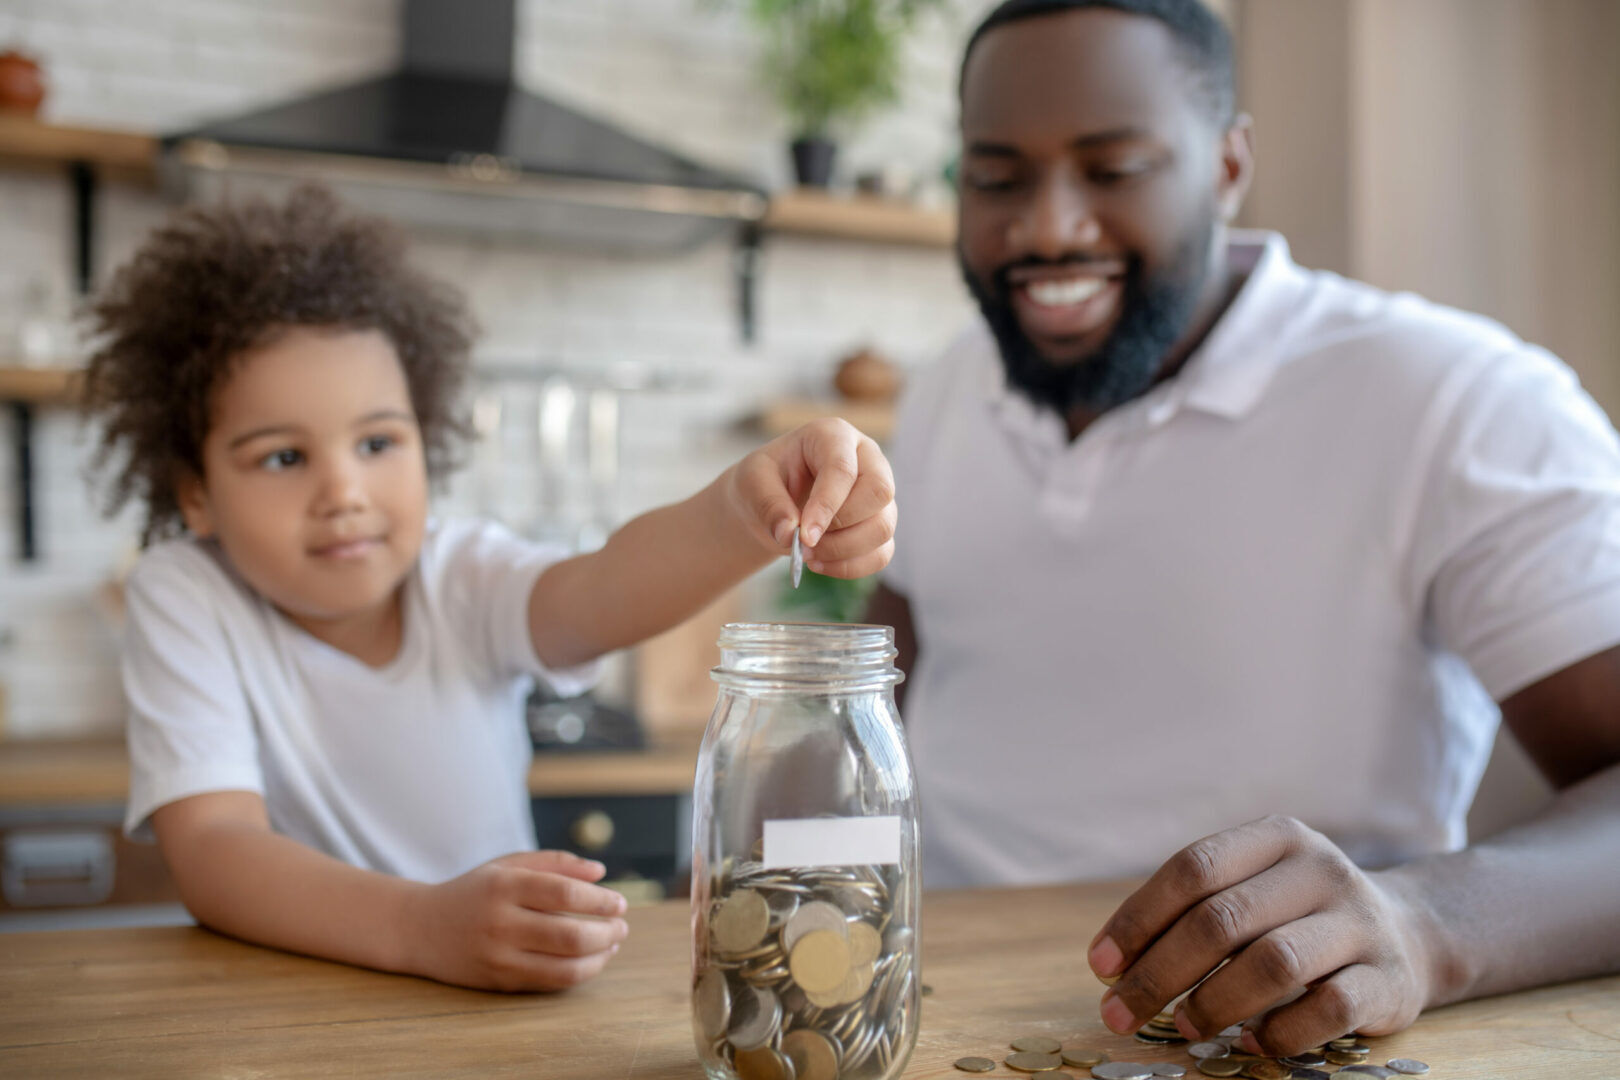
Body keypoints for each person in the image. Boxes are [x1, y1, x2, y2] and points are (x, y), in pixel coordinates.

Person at [865, 0, 1620, 1057]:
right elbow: (872, 685)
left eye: (1114, 166)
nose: (1046, 228)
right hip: (923, 1023)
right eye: (995, 177)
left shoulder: (1460, 401)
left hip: (1259, 1044)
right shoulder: (949, 387)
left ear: (1227, 166)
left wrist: (1424, 923)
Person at [84, 186, 896, 993]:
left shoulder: (462, 574)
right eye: (284, 458)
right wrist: (418, 927)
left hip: (492, 1011)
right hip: (291, 1015)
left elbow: (604, 591)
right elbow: (215, 848)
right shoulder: (182, 594)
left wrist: (740, 510)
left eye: (376, 442)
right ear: (194, 491)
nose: (344, 492)